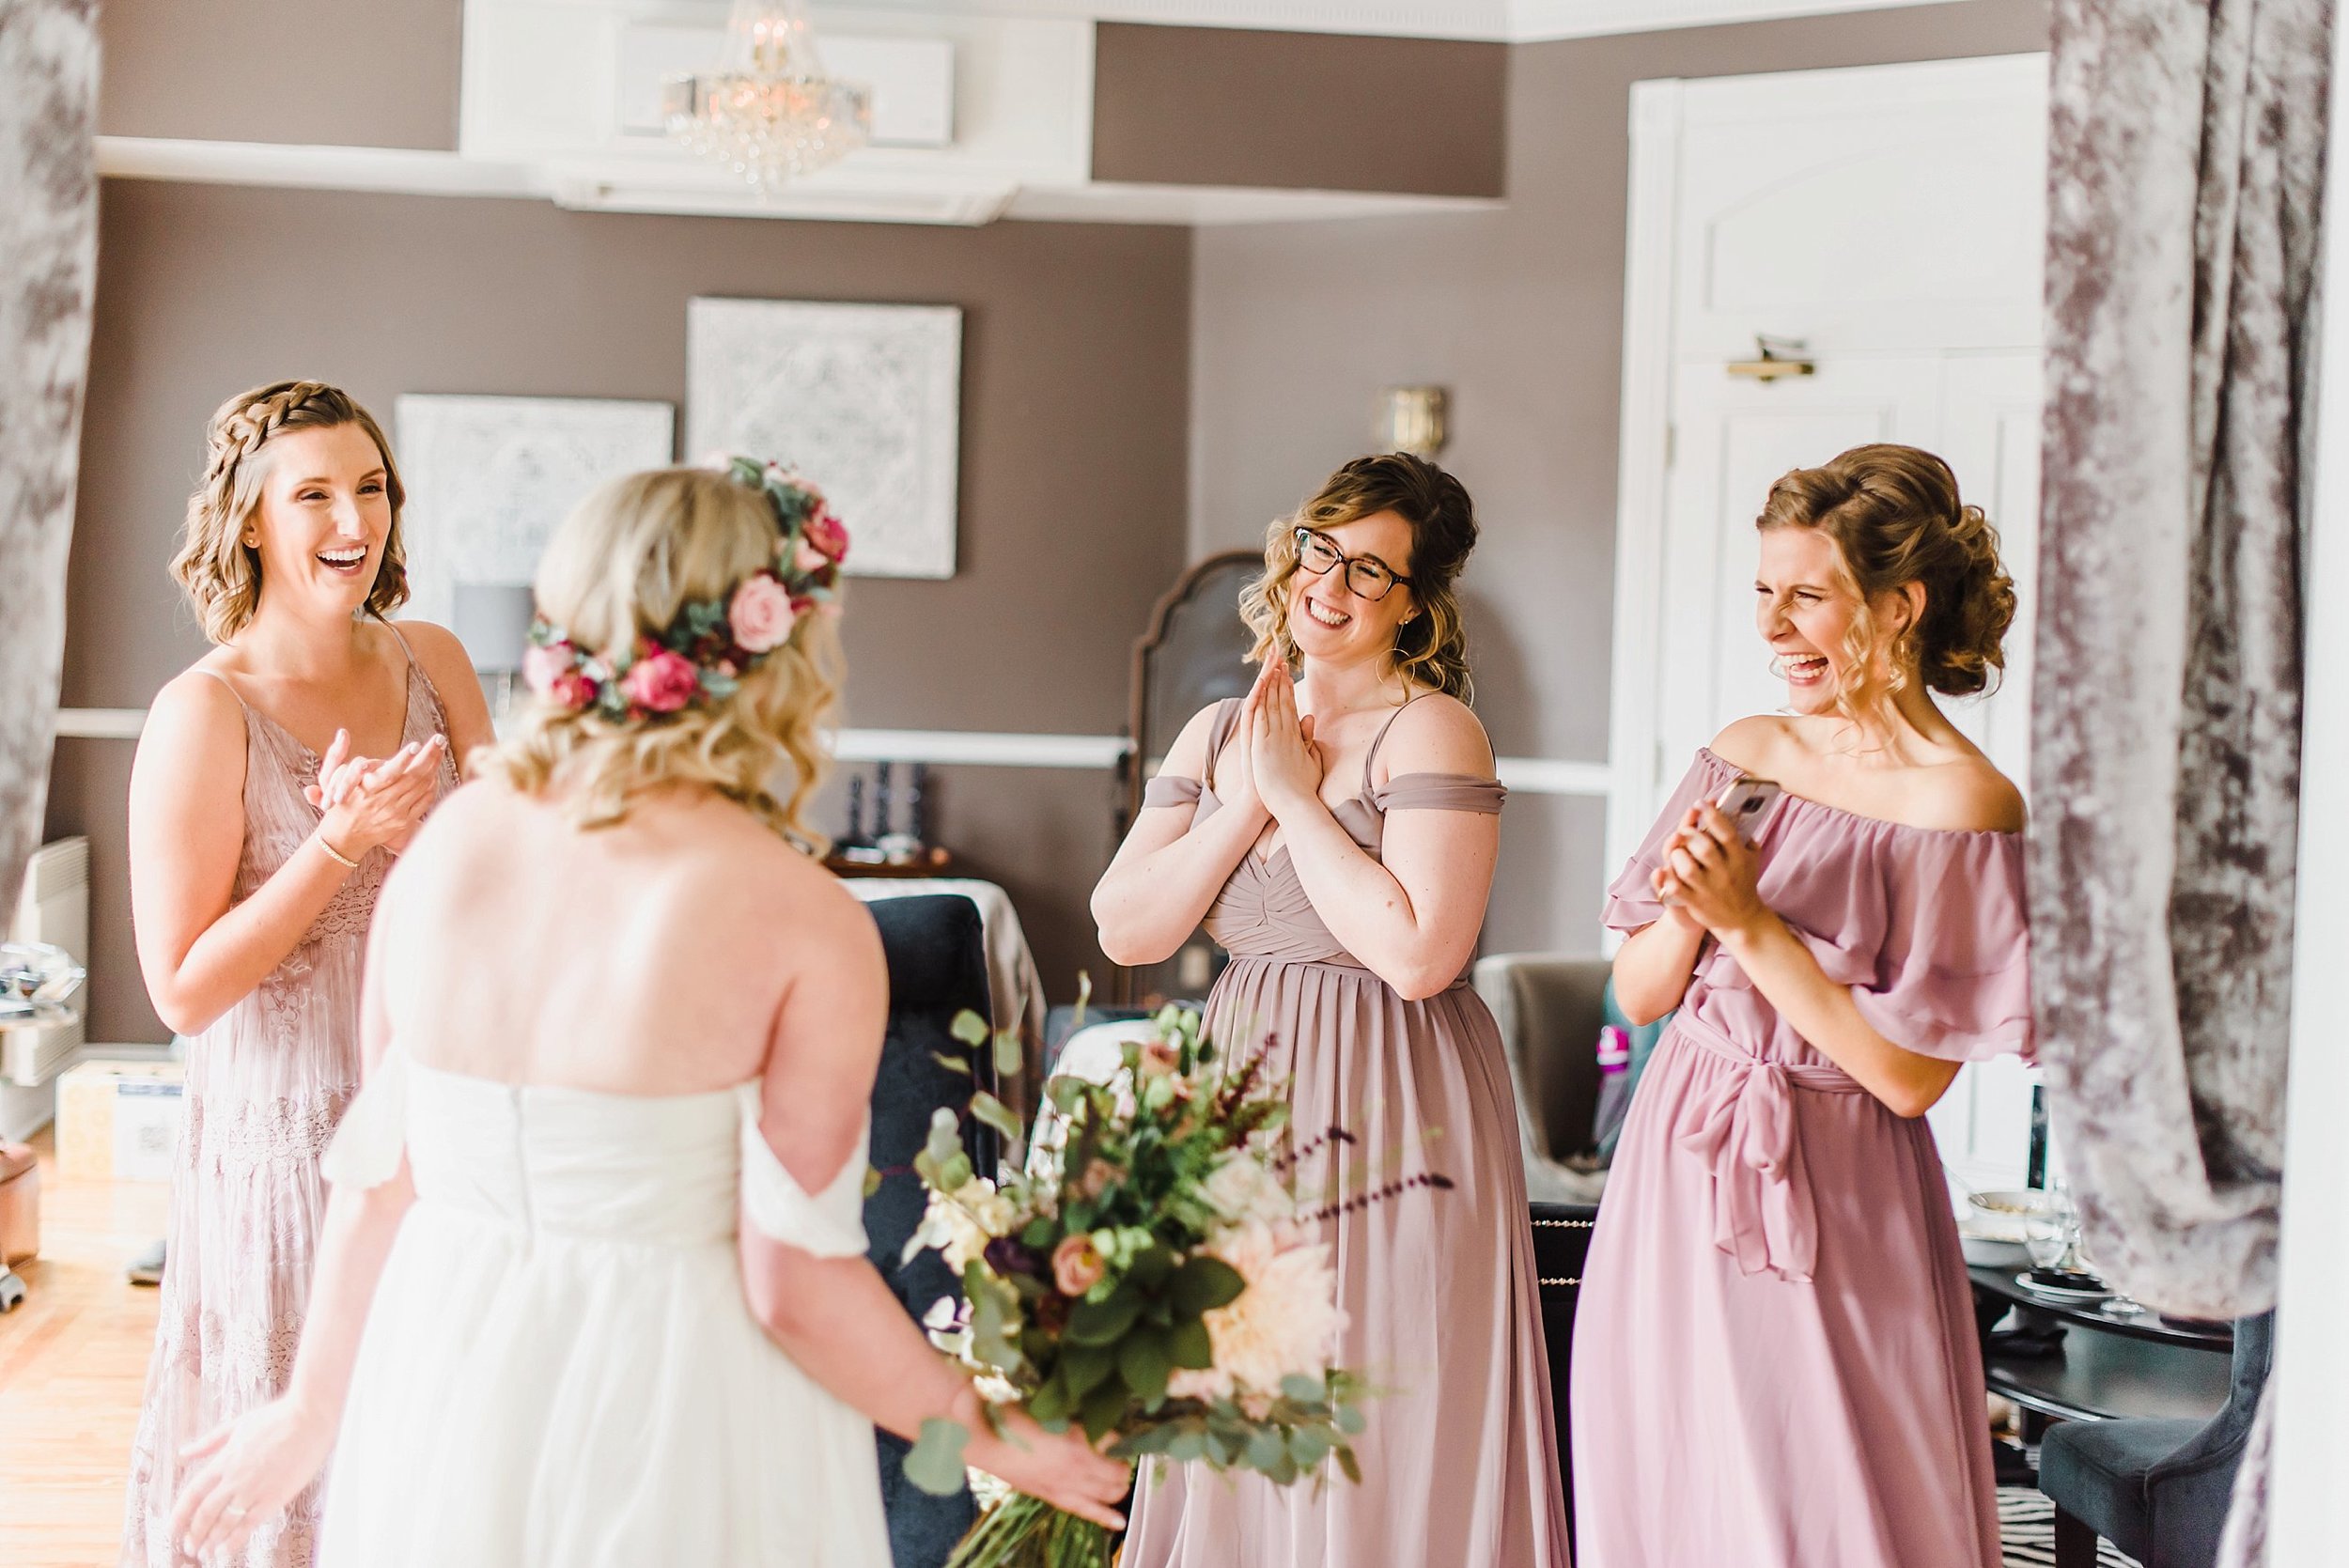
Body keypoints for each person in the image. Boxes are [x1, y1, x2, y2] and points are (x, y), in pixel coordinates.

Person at [167, 462, 1129, 1567]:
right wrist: (1014, 1442)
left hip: (441, 1383)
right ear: (778, 647)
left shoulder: (446, 851)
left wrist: (311, 1413)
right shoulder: (803, 919)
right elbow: (798, 1287)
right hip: (676, 1402)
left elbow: (382, 1182)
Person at [1094, 454, 1570, 1567]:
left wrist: (1300, 804)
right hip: (1243, 1084)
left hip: (1395, 1091)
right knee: (1239, 1377)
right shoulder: (1219, 732)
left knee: (1381, 1387)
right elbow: (1127, 928)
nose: (1332, 585)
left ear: (1414, 602)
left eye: (1370, 569)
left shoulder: (1432, 730)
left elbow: (1417, 954)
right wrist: (1245, 798)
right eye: (1322, 548)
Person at [1572, 443, 2031, 1567]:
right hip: (1680, 1153)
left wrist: (1749, 923)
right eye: (1764, 595)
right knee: (1670, 1470)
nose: (1774, 628)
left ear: (1900, 603)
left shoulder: (1964, 802)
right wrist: (1692, 906)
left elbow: (1908, 1075)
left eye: (1806, 597)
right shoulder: (1747, 754)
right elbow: (1636, 991)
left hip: (1839, 1176)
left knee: (1831, 1492)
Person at [121, 380, 490, 1566]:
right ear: (250, 521)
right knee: (293, 1492)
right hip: (285, 1156)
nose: (355, 518)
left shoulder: (433, 658)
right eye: (316, 493)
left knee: (425, 1461)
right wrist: (337, 845)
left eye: (371, 487)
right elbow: (179, 988)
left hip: (436, 1133)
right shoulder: (203, 710)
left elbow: (500, 870)